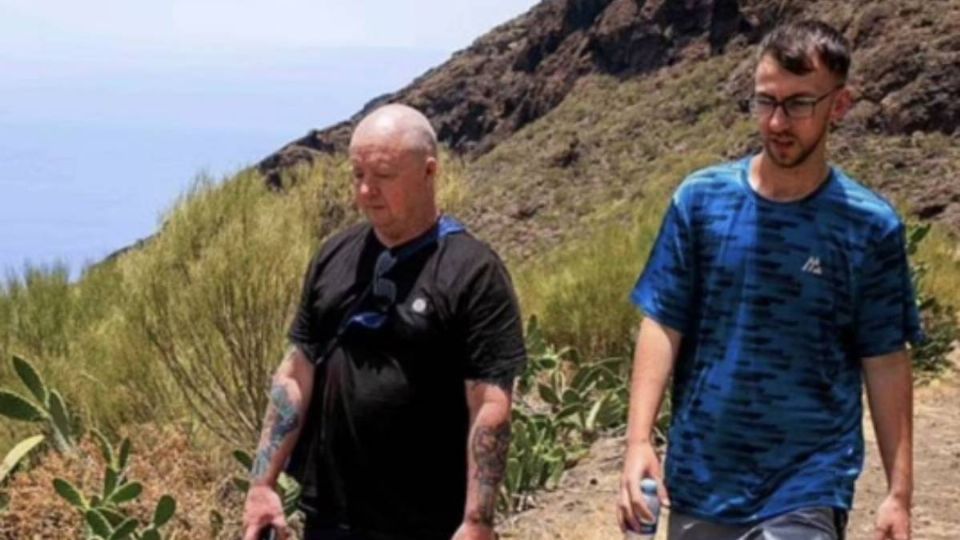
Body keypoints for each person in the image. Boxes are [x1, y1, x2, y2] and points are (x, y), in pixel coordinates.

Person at [617, 20, 920, 540]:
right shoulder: (701, 201)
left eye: (799, 104)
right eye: (766, 102)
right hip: (702, 478)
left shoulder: (868, 226)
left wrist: (899, 493)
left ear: (839, 105)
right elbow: (663, 323)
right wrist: (638, 441)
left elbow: (886, 359)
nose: (778, 121)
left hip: (808, 481)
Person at [242, 103, 526, 540]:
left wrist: (477, 521)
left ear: (429, 173)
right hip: (330, 520)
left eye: (384, 177)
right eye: (357, 175)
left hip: (426, 523)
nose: (365, 191)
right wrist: (262, 485)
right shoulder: (334, 256)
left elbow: (489, 405)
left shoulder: (473, 273)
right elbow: (297, 372)